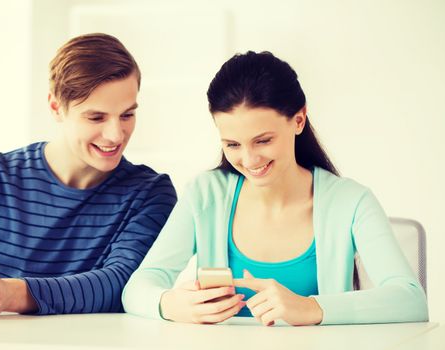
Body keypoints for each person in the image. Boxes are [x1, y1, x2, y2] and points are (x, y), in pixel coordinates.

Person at [122, 51, 428, 325]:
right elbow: (137, 288)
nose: (249, 159)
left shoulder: (351, 201)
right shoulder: (205, 194)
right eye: (232, 144)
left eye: (263, 140)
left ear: (298, 120)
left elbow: (410, 300)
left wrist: (310, 308)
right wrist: (169, 304)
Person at [0, 33, 177, 318]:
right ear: (56, 107)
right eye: (96, 117)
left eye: (127, 115)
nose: (116, 134)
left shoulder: (151, 194)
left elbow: (123, 283)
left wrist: (8, 294)